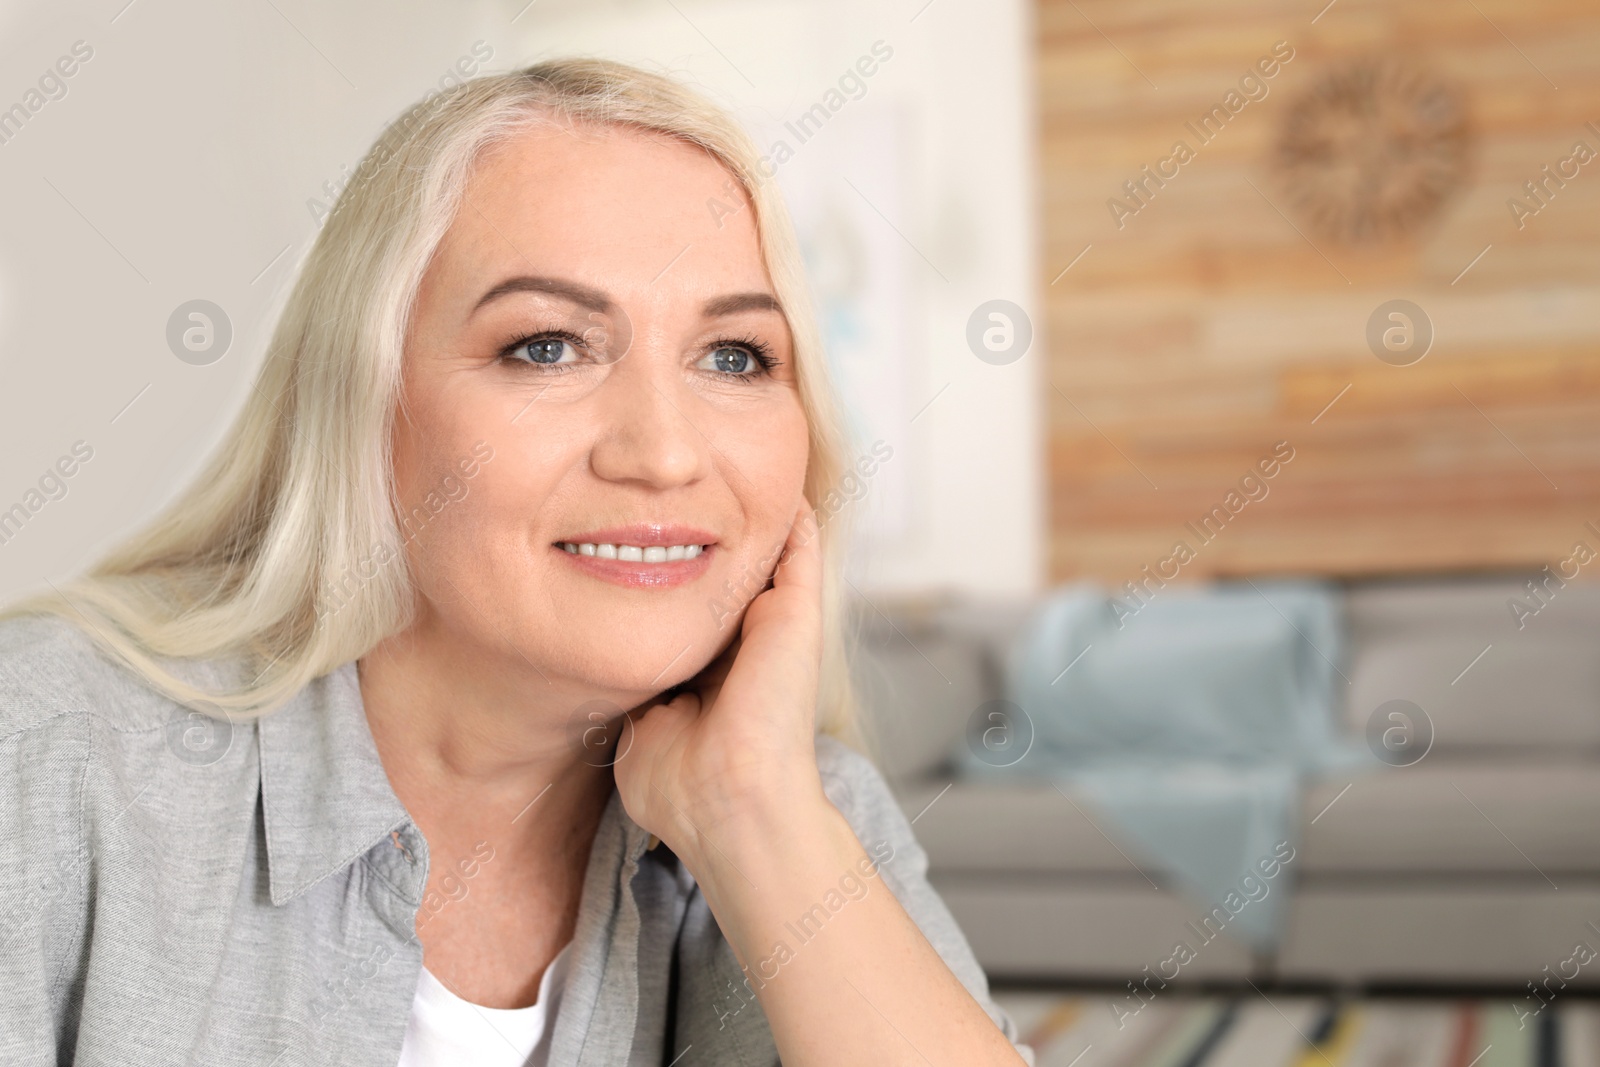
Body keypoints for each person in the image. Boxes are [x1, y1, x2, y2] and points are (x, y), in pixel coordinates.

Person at [0, 58, 1033, 1066]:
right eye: (547, 346)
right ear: (361, 404)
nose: (666, 453)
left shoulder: (797, 809)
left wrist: (753, 817)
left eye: (734, 356)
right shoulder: (52, 751)